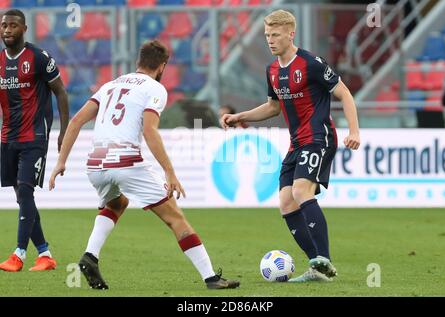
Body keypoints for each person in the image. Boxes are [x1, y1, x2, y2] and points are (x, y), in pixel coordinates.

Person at [49, 40, 240, 290]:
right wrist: (170, 173)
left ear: (138, 62)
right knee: (175, 217)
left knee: (117, 203)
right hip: (125, 161)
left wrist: (60, 162)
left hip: (95, 164)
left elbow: (75, 122)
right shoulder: (155, 88)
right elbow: (150, 131)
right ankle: (211, 278)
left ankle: (90, 257)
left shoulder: (110, 84)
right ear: (162, 66)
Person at [220, 10, 360, 282]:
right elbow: (273, 107)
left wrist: (354, 130)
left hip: (319, 138)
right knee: (286, 203)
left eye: (275, 34)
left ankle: (324, 260)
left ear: (290, 34)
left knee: (300, 190)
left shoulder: (311, 63)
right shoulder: (272, 70)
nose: (270, 40)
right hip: (296, 143)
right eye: (267, 35)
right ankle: (317, 268)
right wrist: (241, 116)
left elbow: (344, 93)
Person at [0, 9, 69, 272]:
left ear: (24, 29)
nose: (7, 30)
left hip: (35, 136)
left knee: (25, 190)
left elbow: (60, 92)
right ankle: (45, 254)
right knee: (22, 196)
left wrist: (63, 130)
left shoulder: (38, 58)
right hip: (8, 137)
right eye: (4, 25)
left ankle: (18, 255)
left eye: (13, 25)